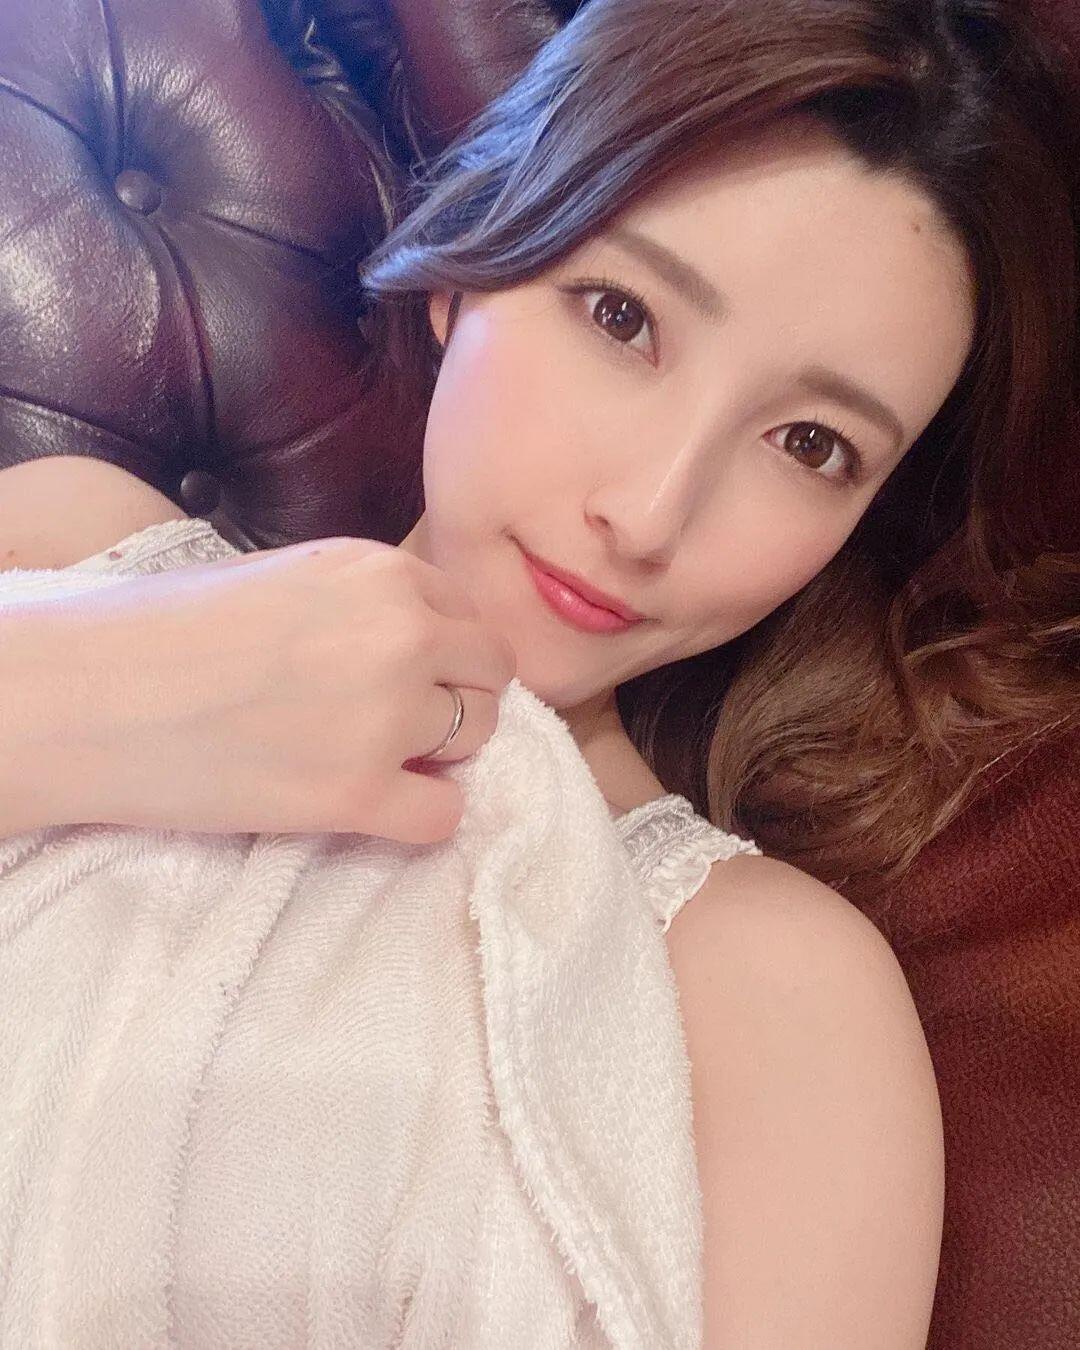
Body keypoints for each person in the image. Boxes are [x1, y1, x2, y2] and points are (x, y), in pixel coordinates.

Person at [1, 0, 1079, 1343]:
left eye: (811, 444)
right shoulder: (69, 548)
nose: (650, 512)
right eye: (623, 316)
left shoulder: (771, 998)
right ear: (468, 270)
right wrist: (89, 694)